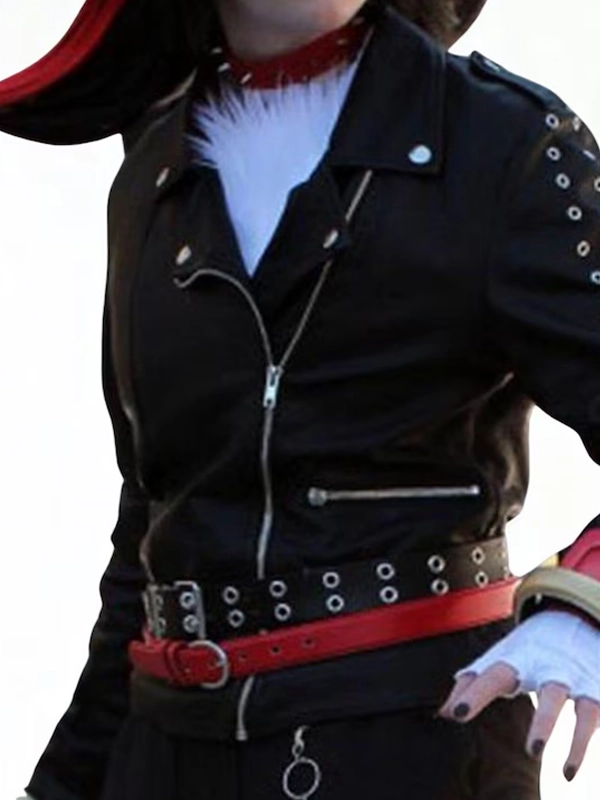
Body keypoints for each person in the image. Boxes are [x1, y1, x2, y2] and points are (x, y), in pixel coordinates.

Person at [2, 0, 600, 798]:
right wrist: (68, 784)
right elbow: (155, 529)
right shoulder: (154, 169)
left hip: (409, 752)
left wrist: (585, 601)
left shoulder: (508, 143)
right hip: (165, 754)